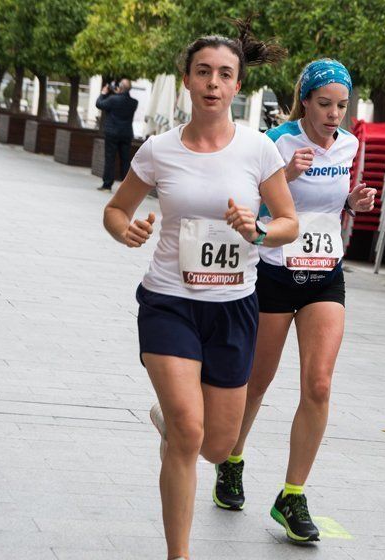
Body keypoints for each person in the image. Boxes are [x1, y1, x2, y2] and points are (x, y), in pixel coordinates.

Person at [101, 22, 297, 560]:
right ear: (186, 80)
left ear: (238, 87)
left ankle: (171, 420)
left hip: (234, 308)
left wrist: (257, 230)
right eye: (204, 71)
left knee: (214, 446)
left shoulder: (260, 150)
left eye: (225, 74)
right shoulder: (159, 151)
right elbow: (116, 209)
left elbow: (288, 223)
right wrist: (127, 229)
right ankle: (178, 554)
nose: (213, 82)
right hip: (169, 302)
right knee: (189, 435)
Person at [210, 59, 376, 542]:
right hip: (275, 273)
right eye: (324, 104)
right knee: (256, 381)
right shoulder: (277, 142)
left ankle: (292, 494)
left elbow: (333, 202)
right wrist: (285, 173)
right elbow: (251, 207)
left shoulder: (348, 144)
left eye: (342, 106)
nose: (333, 115)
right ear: (304, 100)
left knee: (319, 385)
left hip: (326, 274)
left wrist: (353, 202)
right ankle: (232, 460)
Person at [96, 78, 138, 191]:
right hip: (126, 133)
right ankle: (126, 187)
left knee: (110, 158)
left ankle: (107, 184)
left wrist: (103, 94)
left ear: (120, 87)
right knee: (125, 160)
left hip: (112, 133)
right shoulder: (134, 103)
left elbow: (99, 104)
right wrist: (117, 93)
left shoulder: (113, 99)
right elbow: (122, 100)